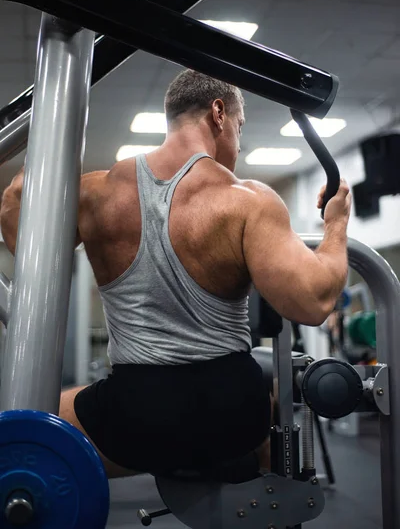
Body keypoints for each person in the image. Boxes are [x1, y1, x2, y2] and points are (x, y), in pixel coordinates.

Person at [0, 69, 351, 480]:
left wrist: (31, 174)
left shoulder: (97, 193)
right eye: (240, 127)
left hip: (137, 417)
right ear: (219, 113)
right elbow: (314, 302)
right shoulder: (248, 200)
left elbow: (20, 237)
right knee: (268, 409)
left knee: (23, 428)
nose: (237, 145)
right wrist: (336, 224)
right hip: (234, 415)